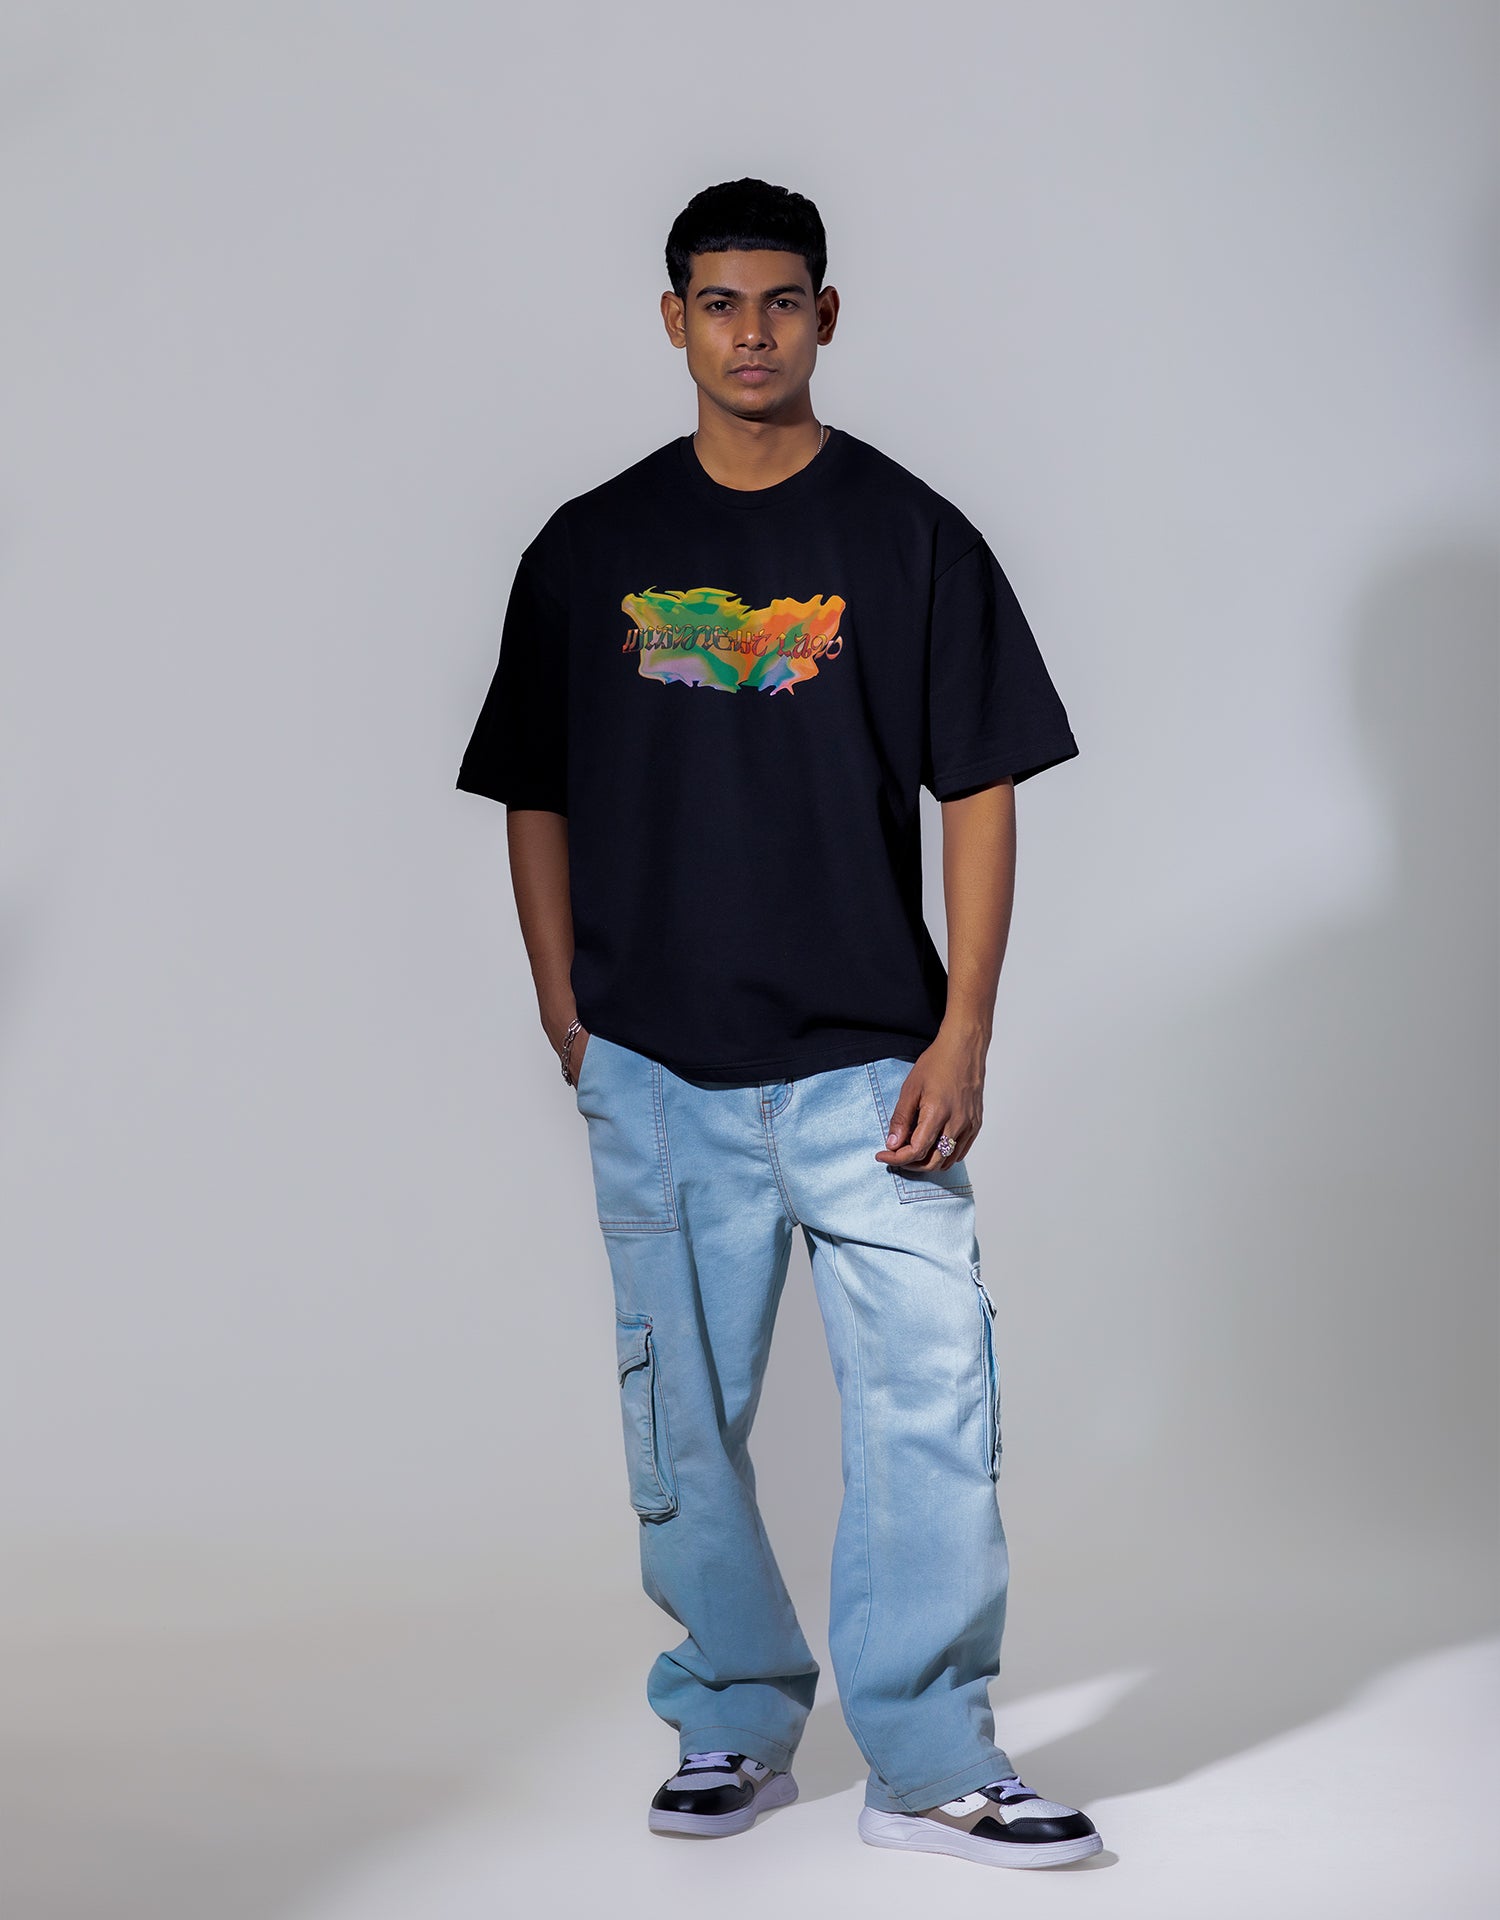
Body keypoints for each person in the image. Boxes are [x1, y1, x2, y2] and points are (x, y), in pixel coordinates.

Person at [455, 177, 1103, 1873]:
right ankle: (733, 1716)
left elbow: (980, 785)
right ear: (674, 320)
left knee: (930, 1407)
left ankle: (933, 1759)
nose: (753, 332)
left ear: (828, 315)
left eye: (783, 300)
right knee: (681, 1420)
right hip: (660, 1065)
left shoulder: (909, 536)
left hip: (875, 1065)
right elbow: (533, 786)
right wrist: (562, 1000)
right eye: (722, 302)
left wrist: (965, 1028)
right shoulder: (589, 548)